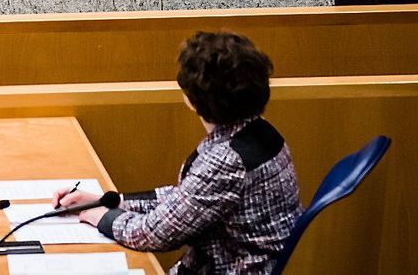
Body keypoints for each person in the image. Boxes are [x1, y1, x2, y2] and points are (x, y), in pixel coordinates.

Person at [54, 31, 302, 274]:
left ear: (191, 100)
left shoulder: (228, 160)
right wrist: (110, 200)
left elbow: (151, 234)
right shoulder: (259, 131)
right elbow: (187, 198)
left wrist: (102, 218)